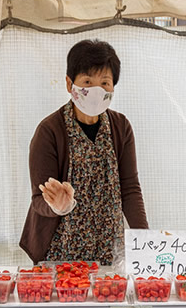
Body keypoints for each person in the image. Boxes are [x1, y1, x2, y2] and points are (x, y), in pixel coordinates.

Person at [20, 39, 148, 265]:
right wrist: (57, 205)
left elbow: (129, 188)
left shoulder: (121, 127)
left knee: (109, 297)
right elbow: (38, 199)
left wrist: (145, 239)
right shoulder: (49, 131)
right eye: (87, 82)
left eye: (105, 83)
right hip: (60, 250)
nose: (96, 91)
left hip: (110, 248)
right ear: (70, 84)